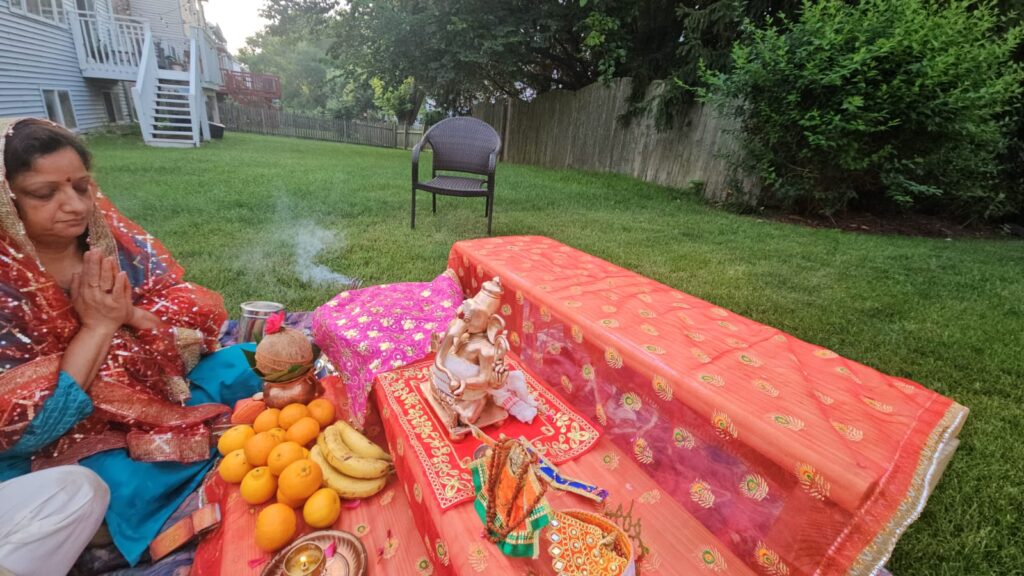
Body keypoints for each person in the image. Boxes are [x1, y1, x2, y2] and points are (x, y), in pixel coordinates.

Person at [0, 117, 261, 567]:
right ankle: (123, 516)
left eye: (81, 187)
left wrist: (130, 318)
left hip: (150, 390)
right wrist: (98, 329)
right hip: (64, 440)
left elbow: (181, 329)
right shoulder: (8, 289)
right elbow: (28, 431)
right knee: (118, 481)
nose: (75, 205)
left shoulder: (106, 244)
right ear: (7, 201)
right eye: (44, 194)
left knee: (248, 361)